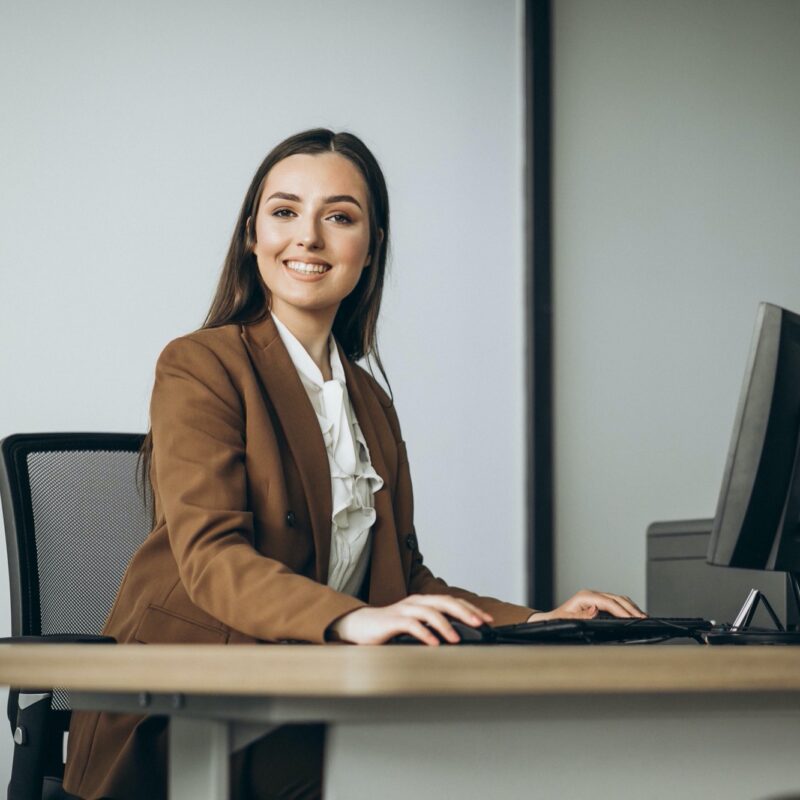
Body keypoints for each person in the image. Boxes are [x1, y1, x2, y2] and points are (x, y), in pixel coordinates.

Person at [62, 128, 644, 800]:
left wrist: (540, 622)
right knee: (429, 777)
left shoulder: (369, 401)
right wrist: (347, 618)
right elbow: (213, 558)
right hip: (194, 714)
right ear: (252, 237)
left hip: (313, 701)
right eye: (284, 212)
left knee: (506, 756)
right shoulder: (202, 365)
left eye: (338, 217)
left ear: (370, 250)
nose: (307, 237)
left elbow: (405, 582)